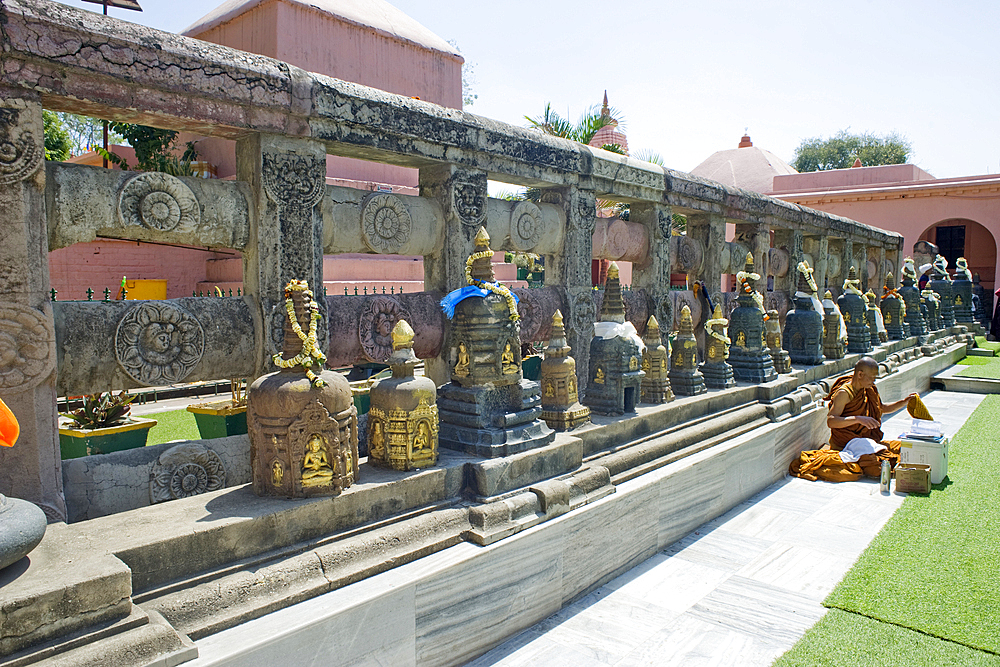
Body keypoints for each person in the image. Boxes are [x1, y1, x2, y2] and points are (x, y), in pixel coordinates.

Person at [790, 357, 917, 482]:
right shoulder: (844, 393)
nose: (874, 381)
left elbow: (882, 408)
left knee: (905, 446)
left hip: (866, 442)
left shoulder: (869, 388)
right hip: (847, 444)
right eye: (872, 377)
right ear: (860, 374)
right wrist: (857, 419)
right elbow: (831, 421)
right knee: (877, 468)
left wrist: (904, 402)